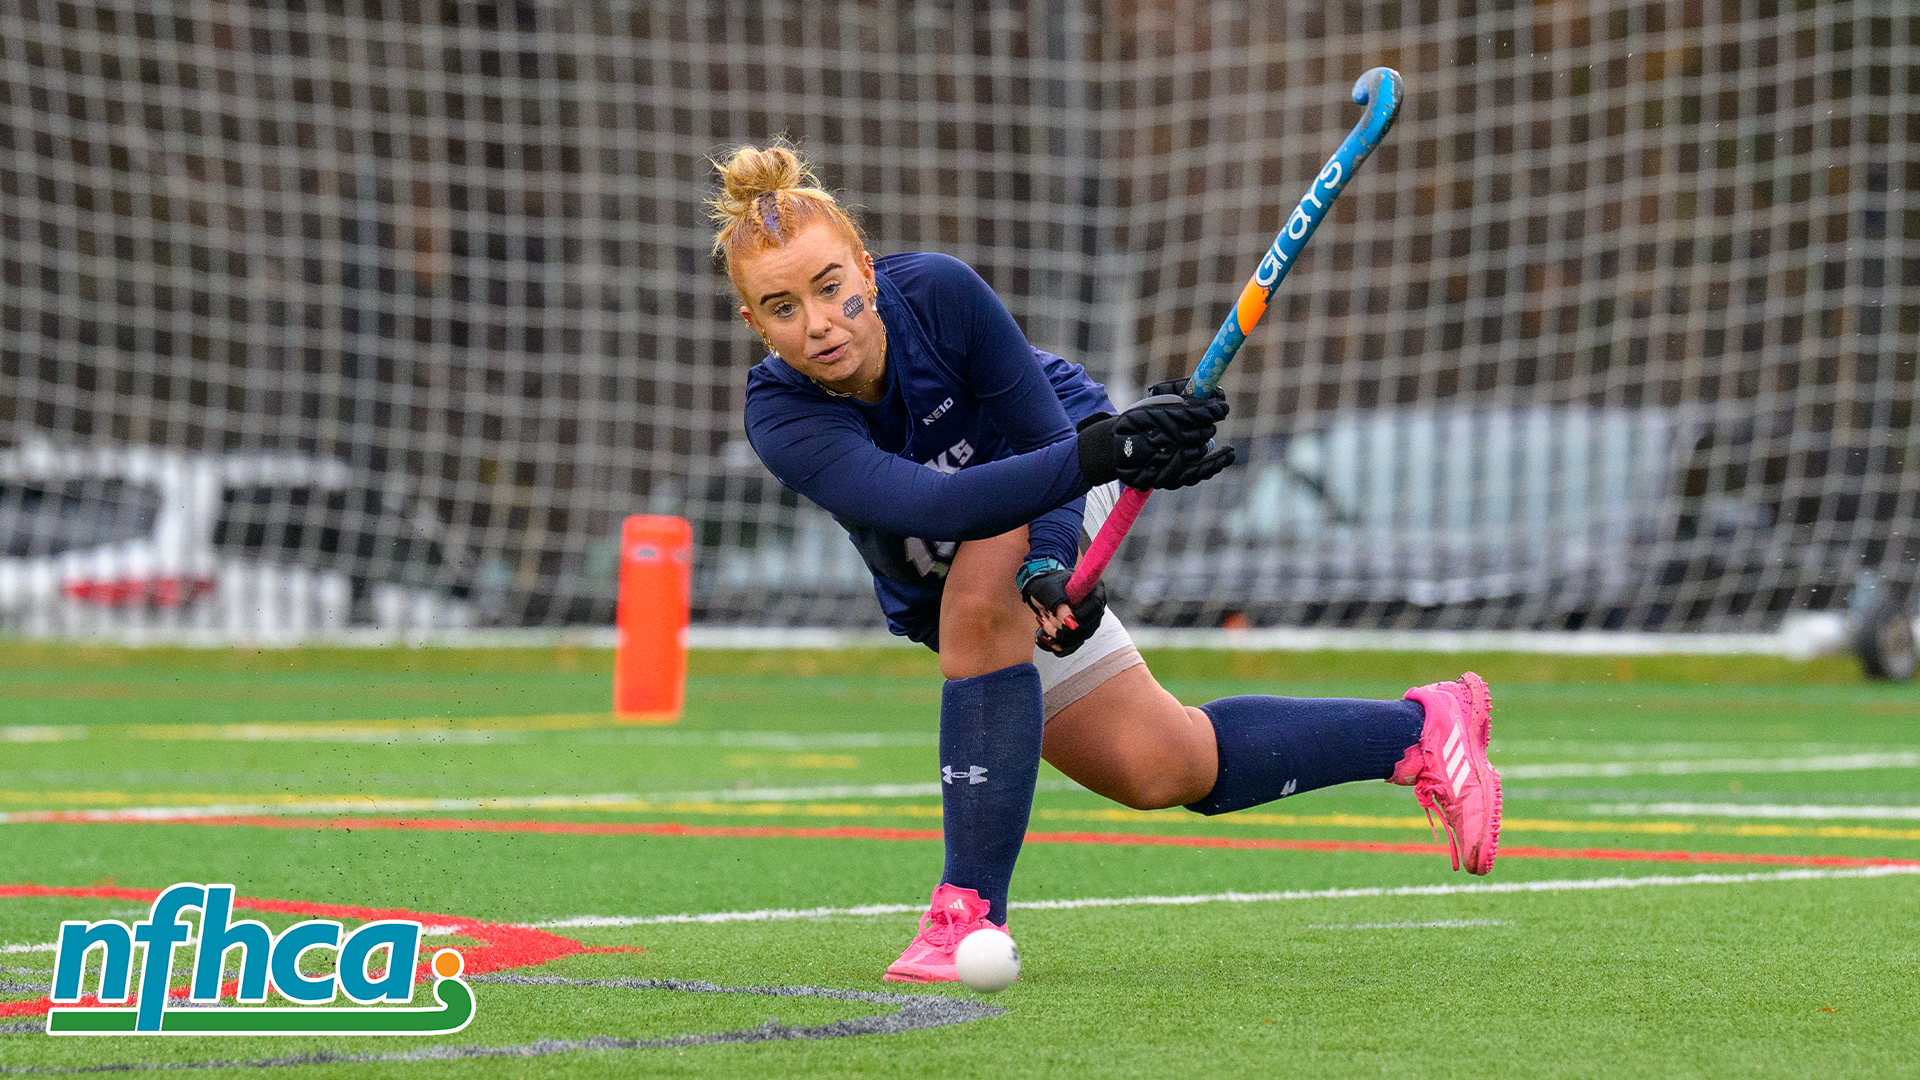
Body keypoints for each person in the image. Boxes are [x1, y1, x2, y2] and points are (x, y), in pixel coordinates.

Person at [711, 143, 1501, 984]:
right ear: (756, 324)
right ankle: (1423, 730)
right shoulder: (781, 416)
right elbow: (932, 506)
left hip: (1062, 457)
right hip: (1037, 493)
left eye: (833, 287)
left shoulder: (936, 294)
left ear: (865, 267)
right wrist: (1095, 479)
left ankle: (965, 913)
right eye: (783, 307)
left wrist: (1051, 554)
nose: (821, 323)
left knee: (977, 611)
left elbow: (1049, 439)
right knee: (1163, 766)